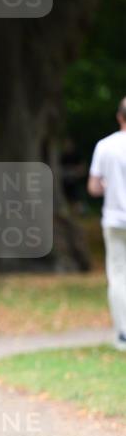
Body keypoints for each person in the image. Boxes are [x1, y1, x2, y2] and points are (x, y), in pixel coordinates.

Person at [88, 97, 126, 351]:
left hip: (114, 219)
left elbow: (93, 187)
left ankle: (123, 334)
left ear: (119, 116)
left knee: (118, 276)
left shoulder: (105, 146)